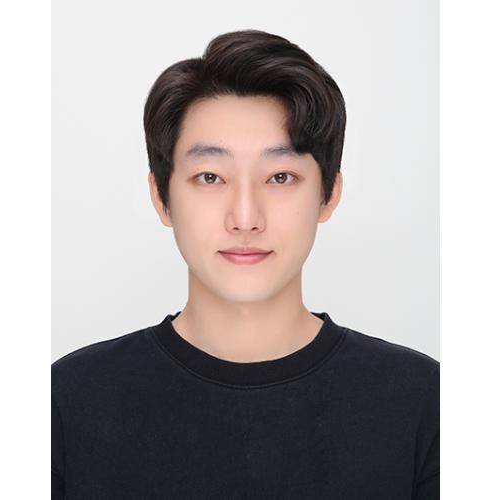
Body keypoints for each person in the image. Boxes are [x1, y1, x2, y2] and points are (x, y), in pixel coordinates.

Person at [52, 29, 439, 499]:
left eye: (280, 176)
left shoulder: (425, 402)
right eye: (210, 177)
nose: (245, 218)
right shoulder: (65, 401)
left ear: (328, 194)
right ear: (161, 197)